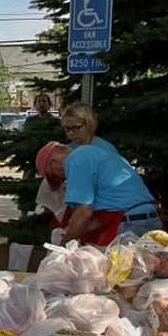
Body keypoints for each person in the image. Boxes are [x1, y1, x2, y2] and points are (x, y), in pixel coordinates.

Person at [35, 141, 161, 245]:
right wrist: (73, 233)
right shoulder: (95, 153)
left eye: (54, 177)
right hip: (151, 217)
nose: (62, 179)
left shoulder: (75, 161)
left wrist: (62, 247)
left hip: (129, 224)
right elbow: (100, 219)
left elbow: (83, 212)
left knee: (123, 272)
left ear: (53, 163)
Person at [37, 103, 120, 240]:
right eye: (66, 129)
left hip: (117, 217)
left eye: (75, 128)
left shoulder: (103, 150)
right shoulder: (71, 149)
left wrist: (66, 243)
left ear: (89, 124)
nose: (70, 133)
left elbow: (85, 209)